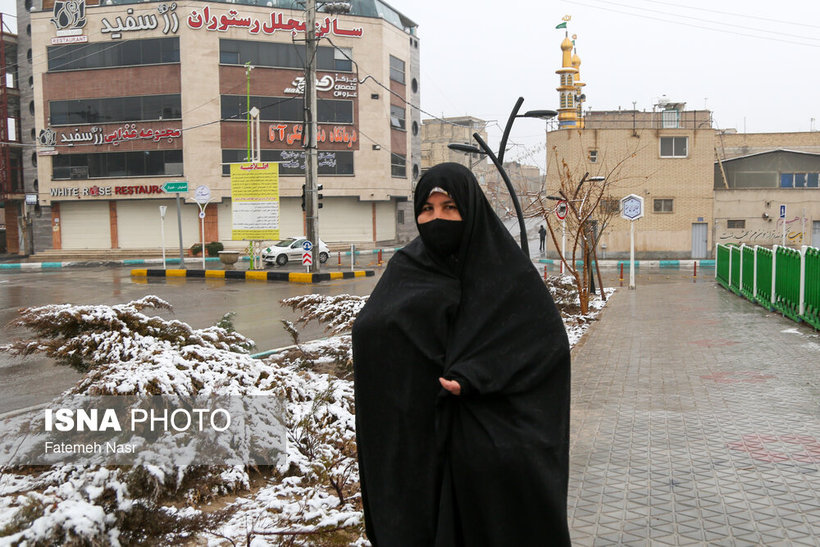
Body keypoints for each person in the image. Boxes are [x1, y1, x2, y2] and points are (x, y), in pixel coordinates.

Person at [352, 162, 571, 546]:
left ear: (470, 210)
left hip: (488, 438)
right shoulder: (407, 266)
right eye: (428, 209)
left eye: (450, 208)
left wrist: (476, 374)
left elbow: (544, 346)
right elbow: (373, 329)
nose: (437, 218)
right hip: (418, 441)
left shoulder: (506, 272)